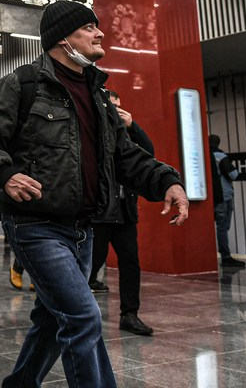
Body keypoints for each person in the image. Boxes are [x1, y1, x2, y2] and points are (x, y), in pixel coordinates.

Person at [0, 0, 189, 388]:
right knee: (83, 317)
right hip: (36, 225)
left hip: (83, 229)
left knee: (53, 317)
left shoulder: (99, 96)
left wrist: (167, 181)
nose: (100, 33)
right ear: (62, 39)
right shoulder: (24, 83)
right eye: (89, 27)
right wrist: (6, 173)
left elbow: (125, 156)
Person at [88, 90, 156, 336]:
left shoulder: (125, 134)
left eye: (118, 105)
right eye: (111, 106)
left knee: (130, 263)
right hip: (99, 212)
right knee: (91, 263)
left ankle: (130, 314)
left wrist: (132, 126)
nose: (115, 110)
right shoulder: (94, 131)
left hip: (124, 211)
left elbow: (148, 153)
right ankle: (77, 313)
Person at [210, 134, 245, 268]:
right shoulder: (221, 156)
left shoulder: (204, 156)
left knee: (220, 227)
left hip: (212, 196)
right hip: (224, 195)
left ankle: (222, 254)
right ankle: (226, 256)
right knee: (223, 227)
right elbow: (233, 175)